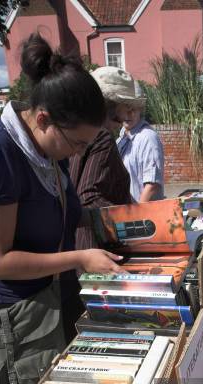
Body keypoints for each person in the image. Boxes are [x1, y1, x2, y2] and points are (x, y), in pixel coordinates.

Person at [0, 33, 123, 384]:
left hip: (55, 297)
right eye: (78, 144)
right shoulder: (4, 156)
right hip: (21, 316)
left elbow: (62, 211)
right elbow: (1, 261)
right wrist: (79, 259)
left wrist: (110, 220)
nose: (80, 153)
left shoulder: (50, 146)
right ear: (42, 120)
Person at [70, 66, 134, 250]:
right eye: (125, 109)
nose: (127, 116)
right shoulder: (102, 136)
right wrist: (130, 219)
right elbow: (89, 196)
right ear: (112, 106)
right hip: (96, 246)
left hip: (76, 244)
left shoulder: (77, 132)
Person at [117, 83, 164, 202]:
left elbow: (152, 185)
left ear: (140, 109)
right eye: (125, 109)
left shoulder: (147, 138)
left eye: (133, 109)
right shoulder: (121, 138)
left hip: (143, 216)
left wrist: (138, 217)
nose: (128, 114)